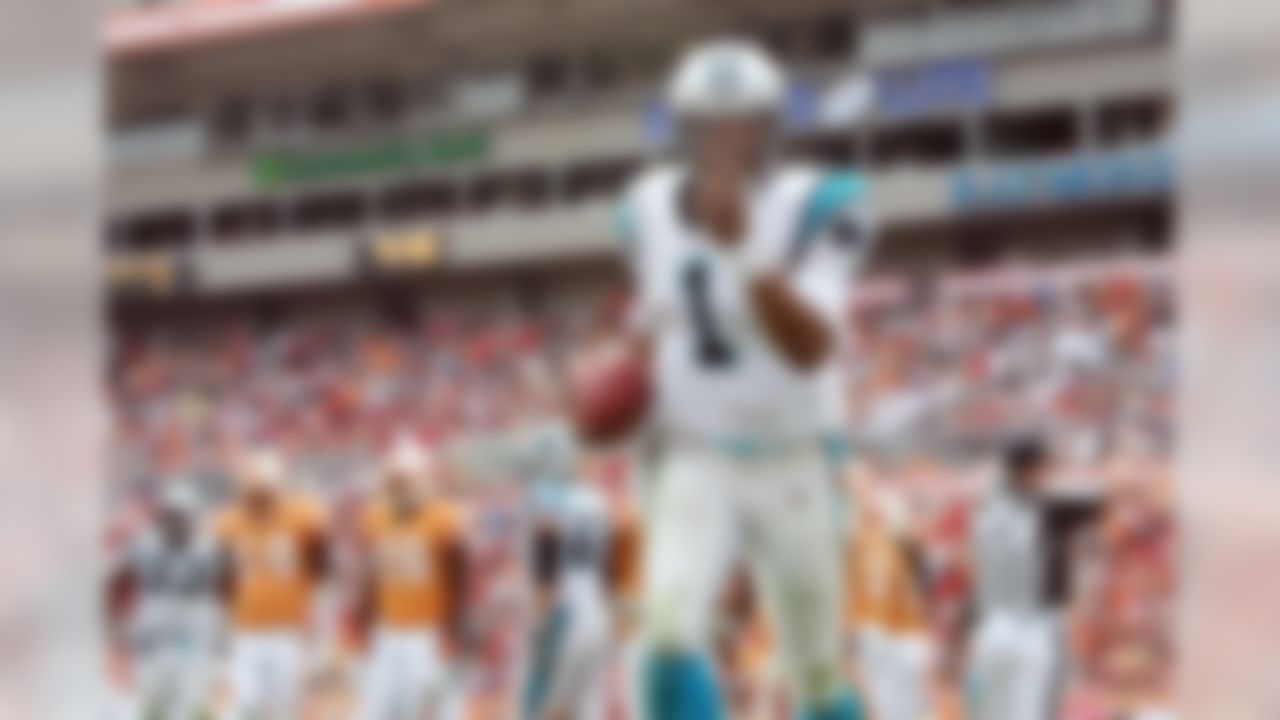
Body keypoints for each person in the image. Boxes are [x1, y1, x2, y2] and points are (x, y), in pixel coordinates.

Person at [609, 38, 876, 720]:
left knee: (815, 673)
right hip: (697, 455)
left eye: (747, 123)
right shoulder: (644, 207)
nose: (730, 141)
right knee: (665, 638)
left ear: (773, 126)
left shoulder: (821, 201)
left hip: (794, 457)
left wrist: (746, 250)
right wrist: (610, 379)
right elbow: (651, 325)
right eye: (710, 126)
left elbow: (812, 346)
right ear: (684, 130)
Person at [966, 435, 1105, 720]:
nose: (1050, 476)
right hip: (1034, 631)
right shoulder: (1046, 509)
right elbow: (1105, 501)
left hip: (992, 630)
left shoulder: (986, 512)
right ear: (1032, 470)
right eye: (1046, 468)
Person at [353, 441, 468, 720]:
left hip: (427, 633)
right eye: (393, 481)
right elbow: (372, 573)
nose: (397, 487)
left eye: (402, 481)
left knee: (432, 709)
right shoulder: (376, 517)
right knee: (376, 709)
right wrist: (363, 616)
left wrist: (454, 629)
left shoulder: (442, 518)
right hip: (387, 630)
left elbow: (458, 578)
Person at [213, 449, 329, 720]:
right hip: (248, 631)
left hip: (285, 630)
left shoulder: (301, 518)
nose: (260, 496)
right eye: (255, 488)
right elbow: (223, 576)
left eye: (265, 489)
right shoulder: (230, 522)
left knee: (284, 710)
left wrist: (311, 606)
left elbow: (321, 566)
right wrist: (227, 616)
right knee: (239, 709)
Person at [107, 481, 223, 720]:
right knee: (140, 707)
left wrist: (220, 637)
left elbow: (224, 593)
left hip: (192, 641)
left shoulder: (208, 548)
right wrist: (119, 635)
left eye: (183, 516)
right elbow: (117, 585)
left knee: (183, 710)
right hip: (152, 640)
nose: (177, 522)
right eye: (173, 515)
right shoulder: (143, 544)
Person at [844, 471, 933, 720]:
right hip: (872, 632)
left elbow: (916, 554)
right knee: (885, 706)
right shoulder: (852, 533)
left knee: (912, 707)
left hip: (906, 629)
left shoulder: (894, 527)